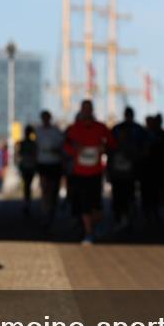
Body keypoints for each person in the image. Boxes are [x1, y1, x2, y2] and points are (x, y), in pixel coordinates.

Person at [64, 100, 115, 244]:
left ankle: (92, 226)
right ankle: (88, 233)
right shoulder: (74, 128)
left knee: (96, 207)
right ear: (80, 110)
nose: (86, 112)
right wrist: (75, 150)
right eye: (84, 109)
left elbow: (111, 144)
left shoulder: (101, 127)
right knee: (83, 204)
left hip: (96, 172)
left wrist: (103, 148)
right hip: (79, 172)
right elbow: (66, 146)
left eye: (89, 109)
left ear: (92, 110)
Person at [108, 106, 148, 230]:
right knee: (118, 198)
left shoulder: (137, 132)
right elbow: (109, 156)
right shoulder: (116, 139)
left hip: (129, 175)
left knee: (128, 197)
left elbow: (143, 152)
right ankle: (120, 218)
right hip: (118, 175)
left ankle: (127, 218)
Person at [141, 114, 164, 230]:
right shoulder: (143, 136)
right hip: (147, 172)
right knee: (147, 196)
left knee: (157, 196)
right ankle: (149, 217)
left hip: (160, 171)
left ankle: (154, 216)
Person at [16, 124, 38, 215]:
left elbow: (20, 154)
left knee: (27, 184)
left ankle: (27, 202)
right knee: (27, 184)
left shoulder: (29, 143)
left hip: (28, 166)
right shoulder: (27, 143)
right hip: (27, 166)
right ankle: (27, 202)